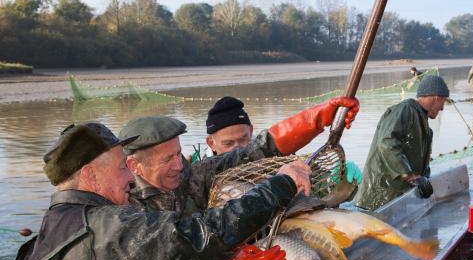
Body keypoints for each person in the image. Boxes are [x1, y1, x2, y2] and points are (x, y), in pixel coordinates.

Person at [2, 122, 311, 260]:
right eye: (122, 167)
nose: (130, 177)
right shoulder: (112, 229)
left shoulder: (47, 232)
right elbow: (205, 234)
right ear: (89, 176)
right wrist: (282, 183)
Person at [119, 96, 359, 215]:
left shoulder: (193, 175)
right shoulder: (124, 206)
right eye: (166, 160)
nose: (178, 165)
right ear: (135, 166)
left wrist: (319, 118)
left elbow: (259, 150)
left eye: (178, 154)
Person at [202, 96, 363, 184]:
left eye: (243, 139)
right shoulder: (200, 173)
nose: (238, 148)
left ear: (251, 131)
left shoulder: (271, 161)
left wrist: (336, 180)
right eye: (228, 143)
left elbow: (266, 146)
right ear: (211, 143)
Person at [353, 74, 450, 210]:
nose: (442, 108)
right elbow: (386, 142)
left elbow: (421, 167)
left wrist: (424, 180)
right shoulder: (405, 110)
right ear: (436, 97)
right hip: (377, 198)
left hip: (396, 200)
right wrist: (410, 176)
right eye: (443, 102)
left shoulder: (427, 129)